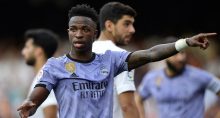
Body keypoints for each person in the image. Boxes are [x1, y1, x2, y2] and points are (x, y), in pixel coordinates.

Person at [17, 4, 216, 118]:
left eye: (85, 30)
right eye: (74, 29)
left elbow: (150, 54)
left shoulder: (111, 60)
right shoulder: (55, 65)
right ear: (68, 32)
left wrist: (185, 42)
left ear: (95, 33)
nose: (78, 34)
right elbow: (39, 93)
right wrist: (31, 103)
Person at [135, 51, 220, 118]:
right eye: (175, 54)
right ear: (165, 56)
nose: (180, 58)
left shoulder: (198, 76)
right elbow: (138, 98)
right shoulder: (152, 78)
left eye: (182, 53)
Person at [92, 2, 139, 118]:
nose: (132, 30)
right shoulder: (121, 56)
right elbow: (127, 106)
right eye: (126, 24)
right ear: (109, 26)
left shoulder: (79, 54)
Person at [21, 29, 59, 118]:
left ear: (38, 51)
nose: (23, 52)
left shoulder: (45, 78)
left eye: (27, 47)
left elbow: (51, 115)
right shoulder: (42, 76)